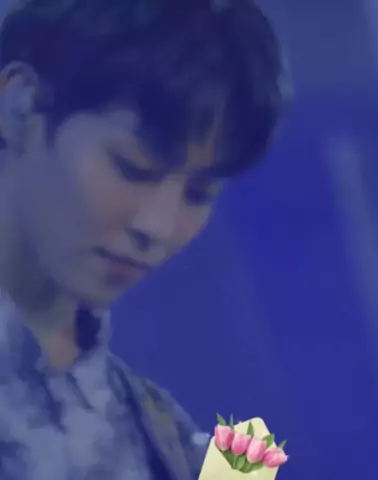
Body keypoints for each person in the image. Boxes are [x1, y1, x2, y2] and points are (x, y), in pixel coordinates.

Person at [0, 0, 289, 478]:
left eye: (198, 194)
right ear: (18, 105)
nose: (158, 226)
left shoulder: (165, 433)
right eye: (131, 168)